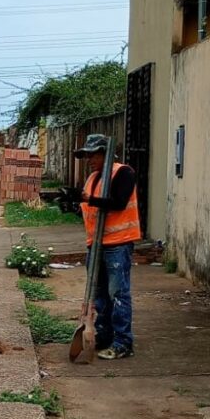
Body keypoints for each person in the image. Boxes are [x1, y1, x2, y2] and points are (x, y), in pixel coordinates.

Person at [74, 134, 141, 360]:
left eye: (94, 154)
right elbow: (91, 210)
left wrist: (90, 200)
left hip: (117, 244)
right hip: (96, 244)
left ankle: (123, 342)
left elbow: (119, 202)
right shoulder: (93, 178)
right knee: (99, 294)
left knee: (118, 293)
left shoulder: (123, 173)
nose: (90, 159)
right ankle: (103, 334)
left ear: (105, 153)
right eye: (87, 155)